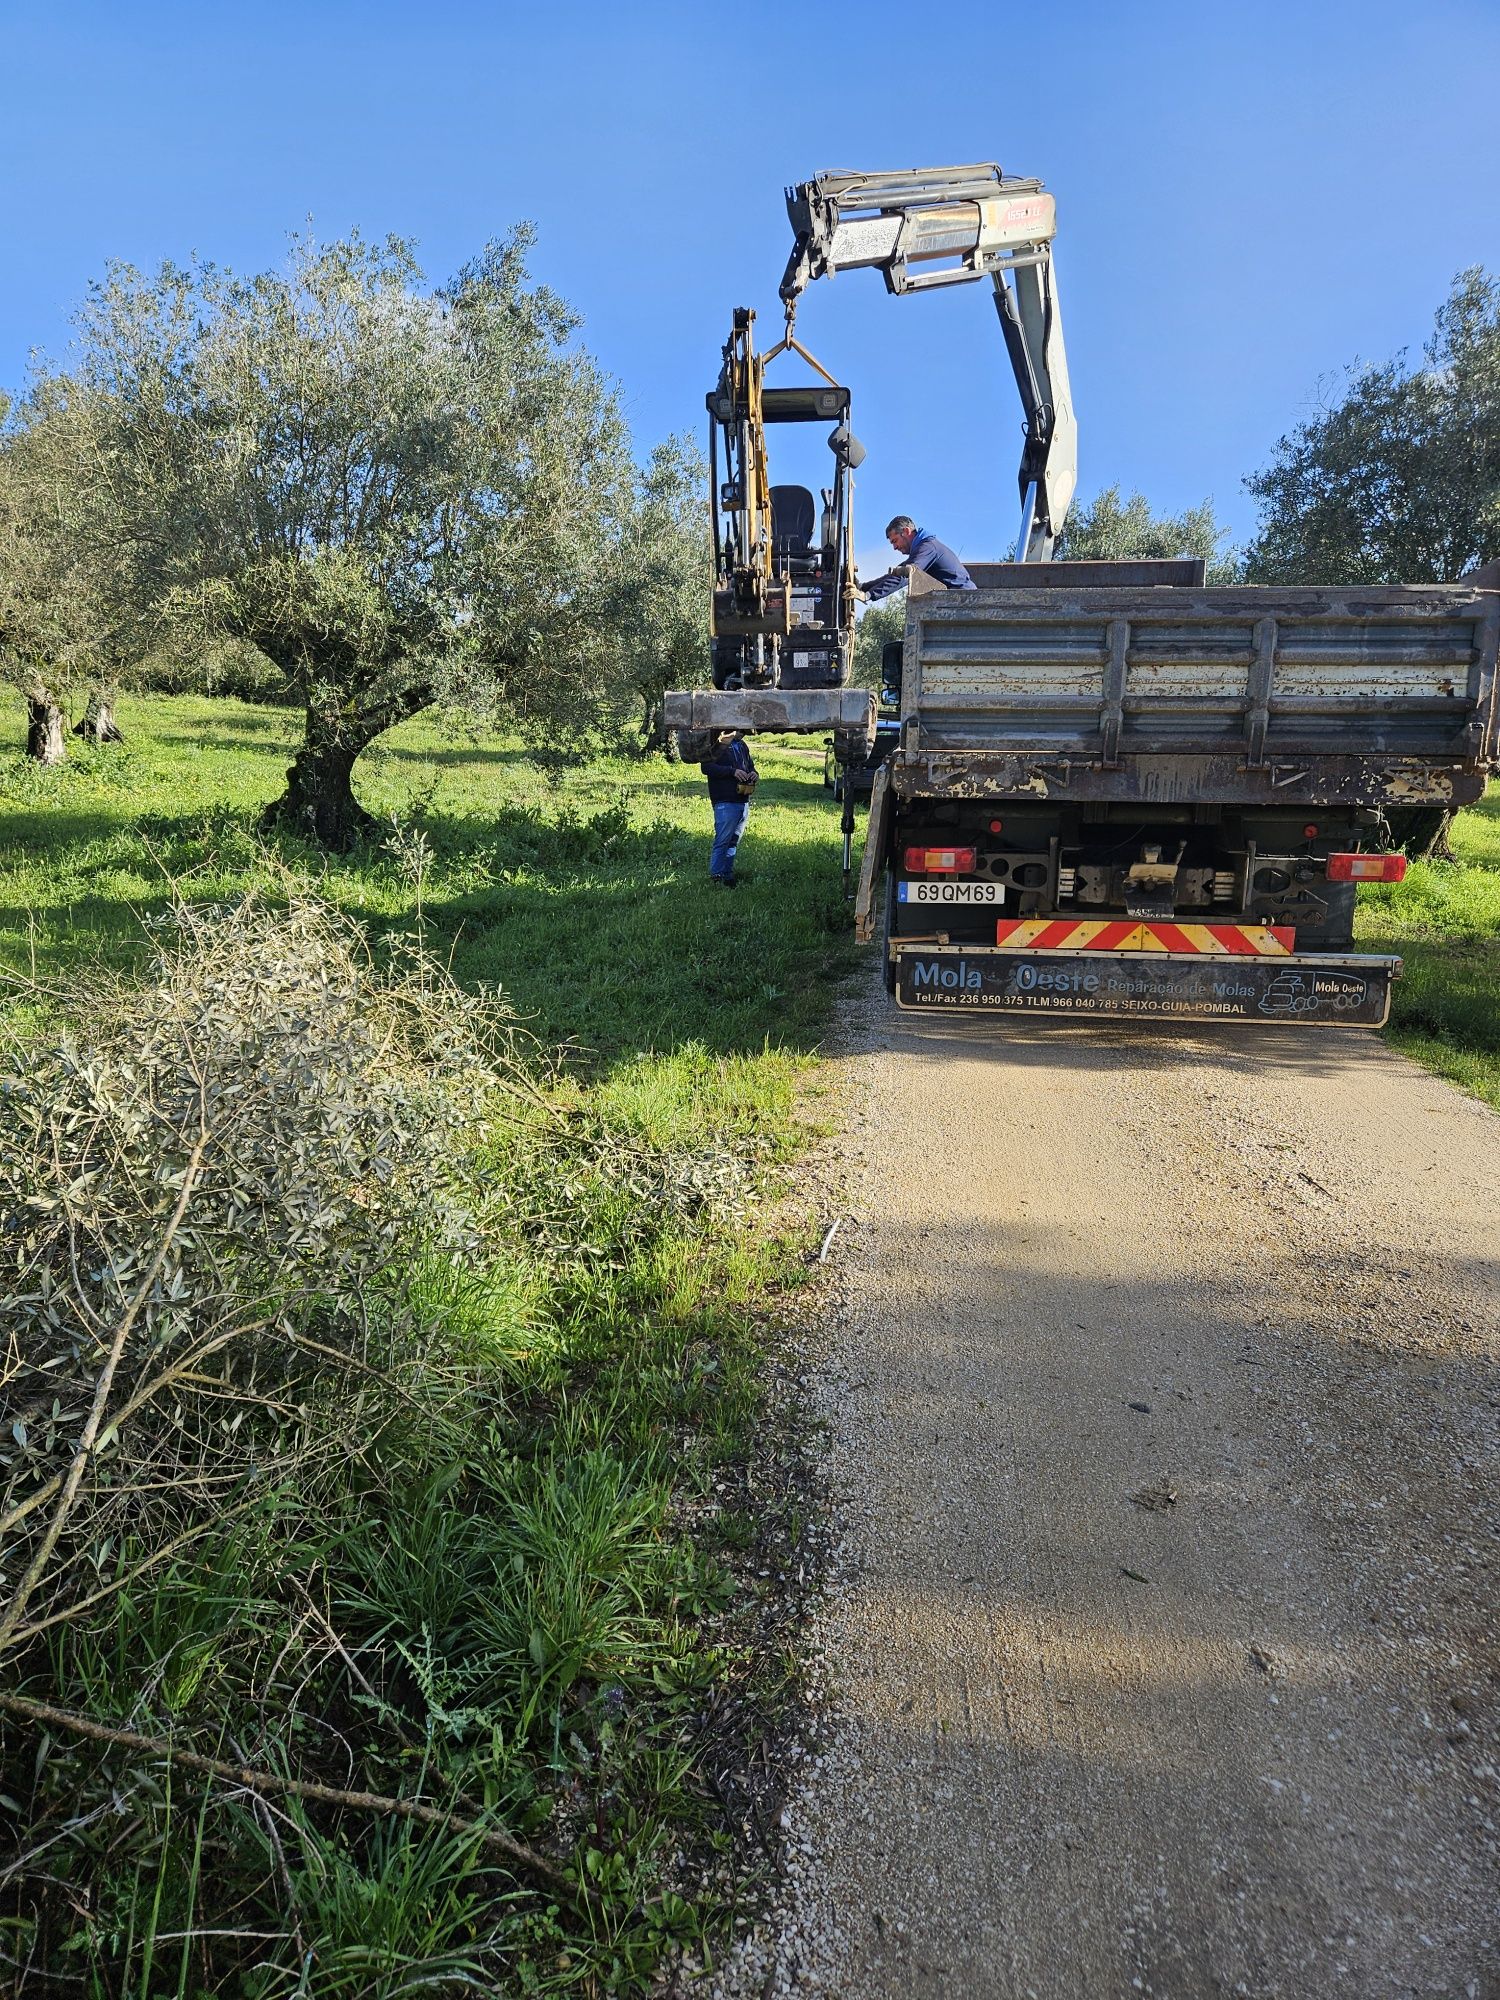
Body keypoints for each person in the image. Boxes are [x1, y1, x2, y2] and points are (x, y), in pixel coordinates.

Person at [859, 515, 978, 600]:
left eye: (895, 541)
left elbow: (906, 576)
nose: (895, 547)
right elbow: (896, 575)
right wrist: (863, 588)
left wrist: (869, 596)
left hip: (965, 600)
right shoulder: (923, 550)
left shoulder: (927, 548)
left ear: (906, 531)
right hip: (957, 599)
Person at [701, 729, 757, 887]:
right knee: (722, 840)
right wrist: (732, 772)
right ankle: (716, 877)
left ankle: (728, 874)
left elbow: (750, 766)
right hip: (725, 801)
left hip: (743, 800)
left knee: (733, 841)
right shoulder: (717, 745)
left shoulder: (742, 745)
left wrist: (753, 774)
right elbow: (706, 768)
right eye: (741, 730)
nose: (744, 733)